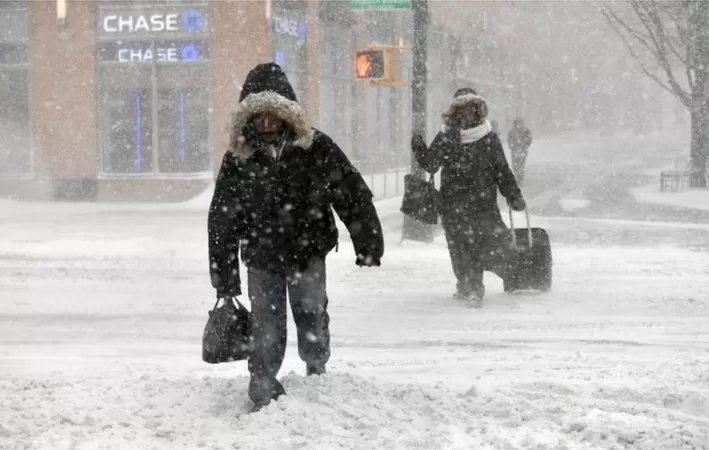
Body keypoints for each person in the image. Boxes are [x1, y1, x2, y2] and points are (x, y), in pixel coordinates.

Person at [208, 63, 383, 412]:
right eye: (260, 117)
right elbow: (222, 221)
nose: (268, 123)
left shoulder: (315, 146)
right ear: (249, 118)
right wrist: (225, 279)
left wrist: (368, 242)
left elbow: (350, 191)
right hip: (262, 256)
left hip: (308, 252)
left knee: (312, 313)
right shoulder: (239, 159)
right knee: (266, 323)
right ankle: (262, 380)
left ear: (288, 114)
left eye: (275, 116)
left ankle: (316, 366)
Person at [412, 88, 525, 307]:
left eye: (472, 108)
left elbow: (501, 170)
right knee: (457, 246)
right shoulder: (446, 137)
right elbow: (432, 165)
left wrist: (514, 195)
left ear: (478, 110)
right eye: (463, 108)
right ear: (455, 111)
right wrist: (419, 148)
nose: (467, 113)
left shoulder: (489, 138)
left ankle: (475, 286)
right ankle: (464, 283)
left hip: (482, 203)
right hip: (452, 203)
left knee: (477, 244)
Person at [507, 117, 533, 185]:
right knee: (515, 165)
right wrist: (511, 146)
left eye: (519, 122)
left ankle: (520, 179)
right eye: (517, 122)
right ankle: (517, 176)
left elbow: (529, 139)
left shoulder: (526, 130)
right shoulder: (511, 132)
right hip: (515, 150)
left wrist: (525, 144)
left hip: (522, 150)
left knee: (521, 165)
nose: (518, 124)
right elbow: (509, 140)